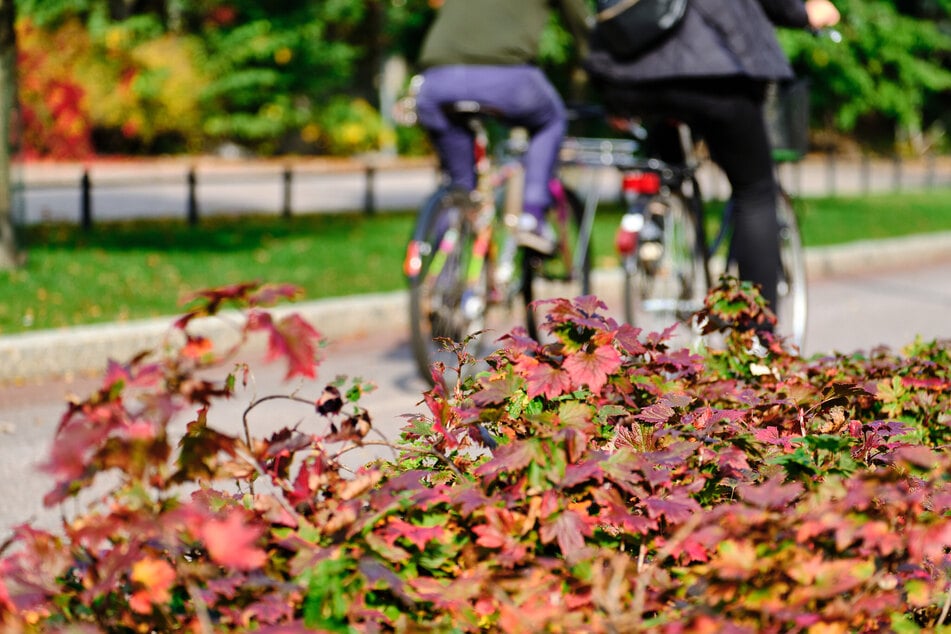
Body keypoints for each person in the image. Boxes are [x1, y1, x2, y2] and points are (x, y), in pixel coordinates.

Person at [584, 0, 840, 311]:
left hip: (628, 70)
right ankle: (758, 343)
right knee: (755, 190)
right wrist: (803, 13)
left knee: (665, 145)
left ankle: (657, 218)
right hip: (716, 65)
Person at [413, 0, 591, 254]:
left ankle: (443, 250)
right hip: (507, 76)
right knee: (551, 120)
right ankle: (532, 218)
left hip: (435, 82)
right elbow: (582, 28)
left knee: (462, 185)